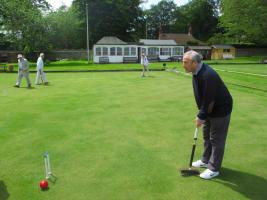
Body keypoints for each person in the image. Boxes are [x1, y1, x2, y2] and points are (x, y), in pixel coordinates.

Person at [182, 50, 233, 180]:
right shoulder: (196, 72)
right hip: (209, 109)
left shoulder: (207, 75)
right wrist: (202, 114)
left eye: (185, 62)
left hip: (220, 110)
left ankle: (214, 168)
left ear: (194, 62)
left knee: (216, 139)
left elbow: (209, 99)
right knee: (206, 135)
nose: (183, 65)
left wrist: (201, 116)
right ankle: (205, 160)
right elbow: (203, 97)